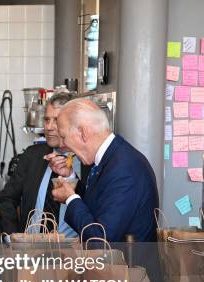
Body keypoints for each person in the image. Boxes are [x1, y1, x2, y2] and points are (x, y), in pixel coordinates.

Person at [51, 99, 159, 242]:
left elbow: (100, 240)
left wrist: (70, 199)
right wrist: (70, 179)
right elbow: (99, 204)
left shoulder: (124, 168)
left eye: (64, 137)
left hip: (129, 263)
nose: (63, 144)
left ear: (83, 133)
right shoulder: (111, 158)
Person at [0, 93, 87, 236]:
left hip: (74, 252)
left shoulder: (88, 161)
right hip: (32, 248)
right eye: (46, 120)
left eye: (57, 120)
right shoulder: (32, 155)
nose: (49, 127)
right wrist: (12, 237)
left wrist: (71, 177)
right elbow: (7, 198)